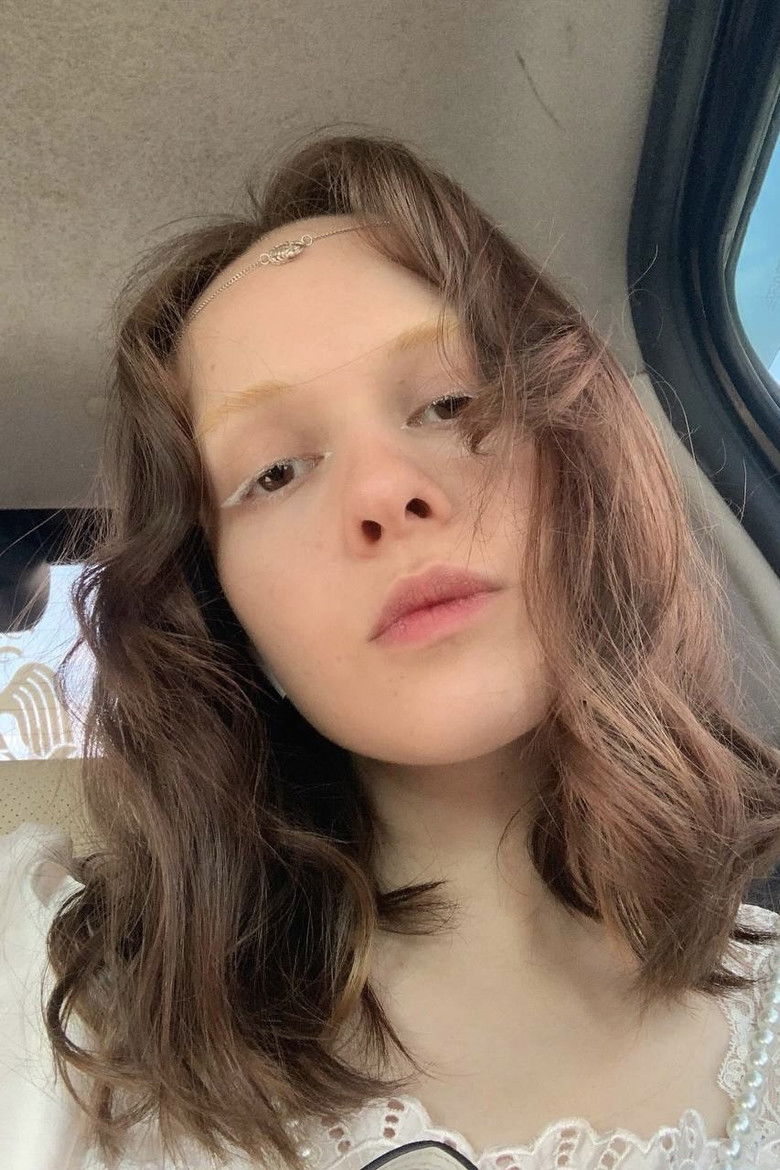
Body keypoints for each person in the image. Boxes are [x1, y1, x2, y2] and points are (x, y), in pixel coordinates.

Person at [2, 131, 780, 1170]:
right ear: (230, 624)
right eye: (276, 473)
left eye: (452, 404)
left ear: (585, 474)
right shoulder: (60, 996)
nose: (385, 491)